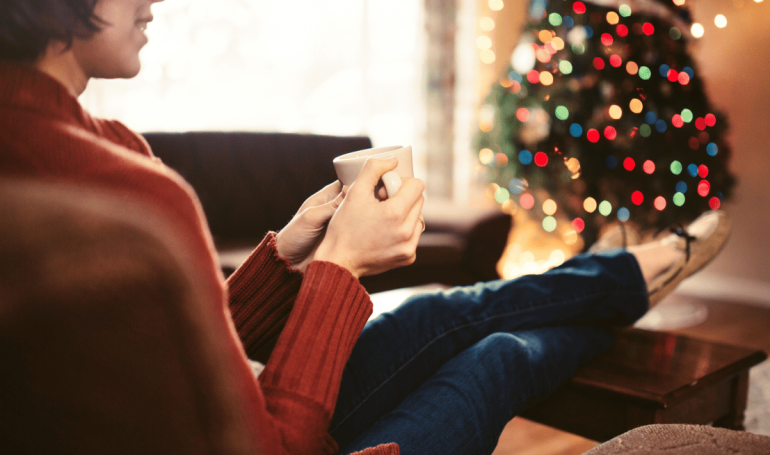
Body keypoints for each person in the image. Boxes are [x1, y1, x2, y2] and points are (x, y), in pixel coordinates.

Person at [0, 1, 731, 454]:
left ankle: (622, 280)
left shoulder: (98, 145)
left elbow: (179, 352)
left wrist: (286, 253)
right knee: (500, 353)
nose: (155, 0)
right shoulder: (123, 190)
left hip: (229, 417)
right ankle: (623, 285)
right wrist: (339, 268)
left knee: (435, 309)